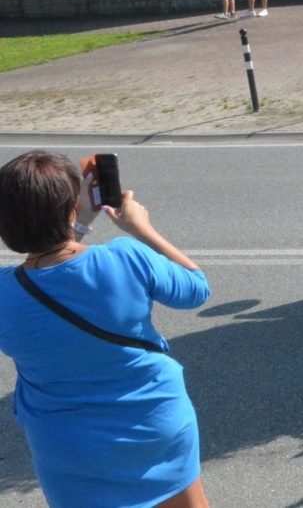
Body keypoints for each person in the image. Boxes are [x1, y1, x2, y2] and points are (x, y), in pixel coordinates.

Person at [0, 151, 211, 508]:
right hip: (154, 424)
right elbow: (196, 289)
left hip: (66, 447)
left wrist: (76, 222)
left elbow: (51, 264)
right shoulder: (125, 256)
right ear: (70, 206)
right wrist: (140, 228)